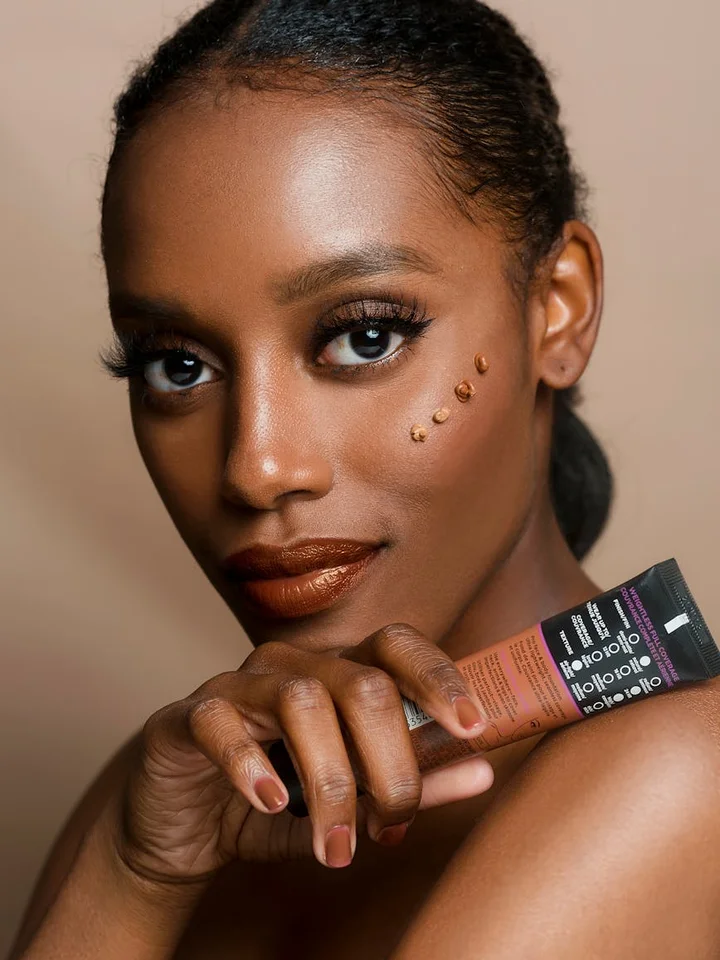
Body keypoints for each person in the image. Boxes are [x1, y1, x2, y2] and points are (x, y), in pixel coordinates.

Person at [10, 1, 720, 957]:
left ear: (558, 309)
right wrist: (132, 871)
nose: (256, 468)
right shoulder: (173, 795)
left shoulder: (678, 773)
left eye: (365, 336)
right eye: (177, 366)